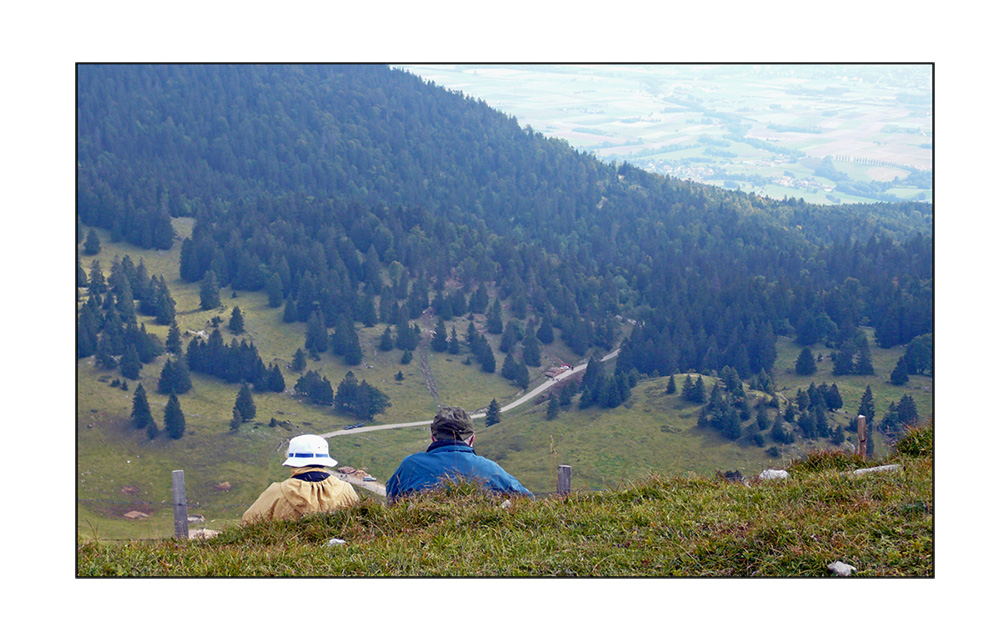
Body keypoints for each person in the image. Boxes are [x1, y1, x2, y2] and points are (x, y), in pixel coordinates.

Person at [385, 406, 532, 502]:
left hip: (417, 543)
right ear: (472, 439)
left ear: (432, 438)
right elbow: (527, 499)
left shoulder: (409, 466)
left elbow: (391, 500)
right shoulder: (490, 469)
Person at [242, 434, 359, 523]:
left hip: (286, 552)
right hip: (336, 552)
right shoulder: (346, 489)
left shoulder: (276, 491)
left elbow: (249, 523)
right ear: (324, 461)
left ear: (293, 462)